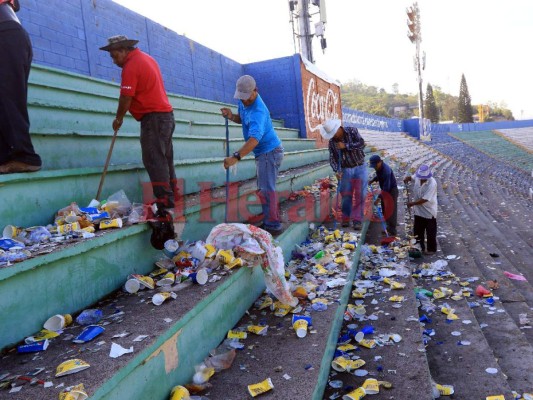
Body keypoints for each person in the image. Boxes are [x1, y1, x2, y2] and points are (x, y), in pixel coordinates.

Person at [100, 35, 176, 212]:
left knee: (154, 159)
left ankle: (165, 202)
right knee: (165, 159)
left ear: (123, 50)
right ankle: (172, 196)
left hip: (154, 118)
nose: (113, 61)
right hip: (165, 116)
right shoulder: (147, 58)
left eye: (114, 56)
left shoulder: (131, 66)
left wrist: (118, 118)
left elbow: (126, 96)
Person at [220, 75, 284, 235]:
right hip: (263, 154)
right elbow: (241, 119)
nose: (244, 101)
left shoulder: (259, 112)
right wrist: (230, 116)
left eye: (247, 98)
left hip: (269, 153)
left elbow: (254, 139)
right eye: (241, 98)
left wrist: (235, 157)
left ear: (255, 91)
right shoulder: (243, 101)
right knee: (264, 189)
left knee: (266, 190)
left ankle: (273, 225)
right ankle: (271, 220)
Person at [0, 0, 42, 174]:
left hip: (6, 33)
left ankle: (25, 156)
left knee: (8, 98)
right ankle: (7, 156)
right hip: (10, 33)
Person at [319, 119, 367, 230]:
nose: (334, 136)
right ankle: (346, 218)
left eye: (334, 133)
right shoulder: (332, 142)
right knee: (346, 195)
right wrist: (337, 170)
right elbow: (332, 159)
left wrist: (346, 145)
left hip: (360, 167)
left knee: (361, 194)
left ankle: (357, 220)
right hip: (345, 170)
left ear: (339, 128)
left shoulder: (352, 131)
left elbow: (361, 144)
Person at [404, 164, 438, 255]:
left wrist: (412, 203)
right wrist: (408, 178)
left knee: (430, 231)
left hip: (428, 210)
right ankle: (420, 247)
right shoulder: (418, 177)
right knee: (418, 230)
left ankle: (431, 249)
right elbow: (412, 177)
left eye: (423, 178)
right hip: (418, 210)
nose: (421, 179)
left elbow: (425, 199)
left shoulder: (432, 183)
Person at [368, 154, 398, 236]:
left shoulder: (386, 171)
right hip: (385, 190)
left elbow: (386, 188)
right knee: (385, 210)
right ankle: (388, 228)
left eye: (375, 165)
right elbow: (379, 176)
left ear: (379, 162)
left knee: (391, 210)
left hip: (391, 191)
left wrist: (378, 198)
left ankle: (392, 230)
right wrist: (373, 180)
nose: (374, 167)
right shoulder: (379, 168)